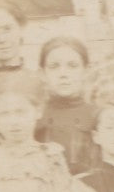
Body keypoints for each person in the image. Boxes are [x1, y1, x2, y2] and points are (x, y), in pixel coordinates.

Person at [35, 37, 99, 174]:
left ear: (86, 71)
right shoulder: (35, 117)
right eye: (54, 67)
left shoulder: (97, 117)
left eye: (72, 66)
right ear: (42, 74)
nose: (63, 74)